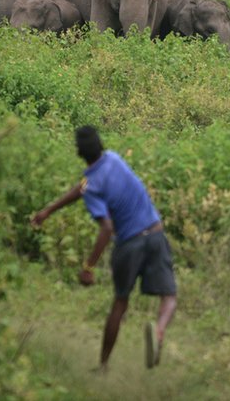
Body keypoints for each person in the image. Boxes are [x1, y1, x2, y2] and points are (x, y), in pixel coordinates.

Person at [31, 126, 177, 371]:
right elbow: (82, 187)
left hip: (128, 245)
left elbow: (106, 227)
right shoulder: (114, 159)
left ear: (79, 153)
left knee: (120, 303)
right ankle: (160, 331)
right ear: (101, 144)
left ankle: (103, 366)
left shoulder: (92, 184)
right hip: (154, 234)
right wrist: (49, 210)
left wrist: (88, 267)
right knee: (169, 296)